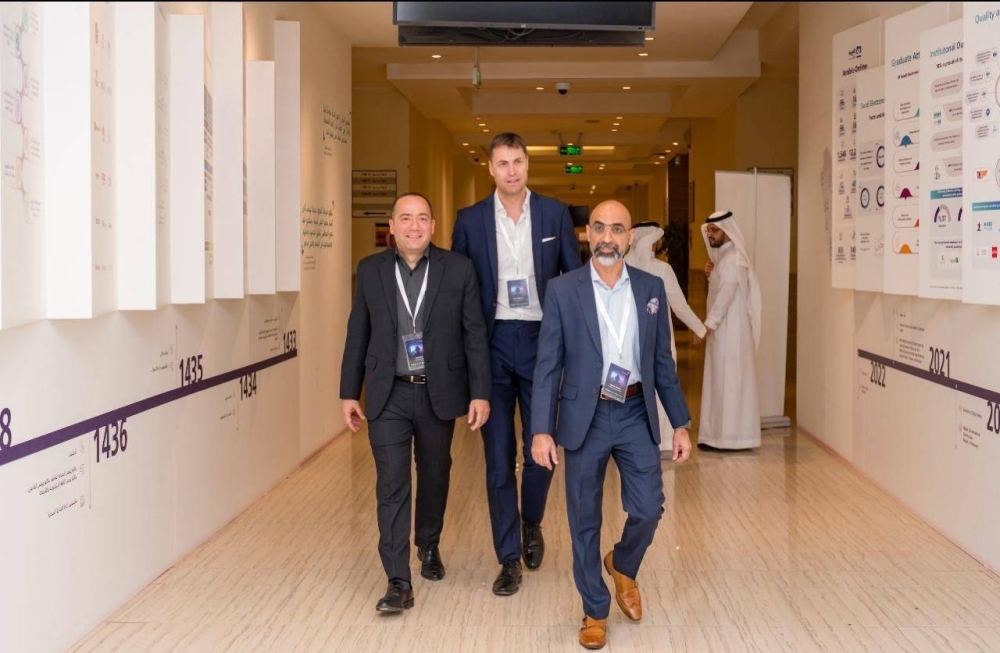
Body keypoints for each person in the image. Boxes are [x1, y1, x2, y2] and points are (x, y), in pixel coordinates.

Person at [530, 200, 693, 650]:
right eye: (599, 228)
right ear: (588, 234)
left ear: (630, 238)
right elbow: (547, 365)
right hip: (585, 417)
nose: (606, 237)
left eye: (616, 229)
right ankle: (595, 609)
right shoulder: (563, 290)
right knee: (583, 518)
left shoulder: (650, 288)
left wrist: (680, 422)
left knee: (649, 508)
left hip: (635, 412)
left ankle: (622, 563)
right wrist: (541, 429)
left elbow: (661, 363)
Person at [340, 193, 491, 613]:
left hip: (437, 392)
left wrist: (480, 392)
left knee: (435, 474)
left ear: (433, 226)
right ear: (392, 226)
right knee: (391, 484)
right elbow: (358, 332)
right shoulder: (370, 270)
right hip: (388, 392)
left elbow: (474, 333)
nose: (414, 226)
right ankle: (397, 579)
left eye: (422, 218)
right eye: (405, 218)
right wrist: (349, 392)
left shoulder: (458, 269)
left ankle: (428, 543)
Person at [452, 132, 582, 595]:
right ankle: (507, 556)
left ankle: (531, 520)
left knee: (542, 449)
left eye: (518, 162)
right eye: (503, 163)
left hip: (542, 343)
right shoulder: (469, 220)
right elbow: (459, 291)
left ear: (528, 165)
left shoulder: (553, 214)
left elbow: (574, 281)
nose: (511, 171)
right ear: (490, 168)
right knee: (498, 458)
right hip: (490, 346)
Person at [624, 221, 707, 459]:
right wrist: (700, 329)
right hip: (659, 341)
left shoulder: (622, 265)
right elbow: (679, 305)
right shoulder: (662, 269)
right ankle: (663, 441)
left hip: (627, 341)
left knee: (633, 388)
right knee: (663, 384)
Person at [696, 210, 762, 451]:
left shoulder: (734, 258)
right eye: (709, 231)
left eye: (714, 230)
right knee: (720, 382)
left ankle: (732, 438)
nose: (710, 235)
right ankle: (717, 436)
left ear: (727, 231)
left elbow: (725, 296)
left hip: (732, 333)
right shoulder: (723, 259)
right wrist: (710, 274)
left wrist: (708, 325)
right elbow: (718, 289)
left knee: (731, 382)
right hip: (722, 332)